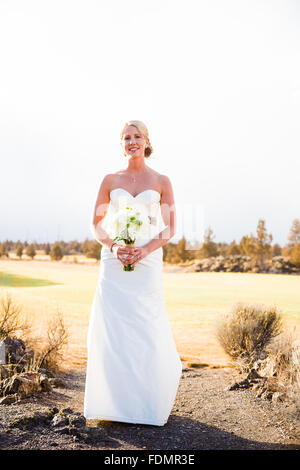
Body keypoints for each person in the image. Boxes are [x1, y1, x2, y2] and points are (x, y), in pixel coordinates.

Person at [84, 120, 182, 426]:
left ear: (147, 141)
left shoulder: (162, 180)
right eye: (127, 137)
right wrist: (114, 247)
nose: (132, 141)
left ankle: (147, 405)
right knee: (113, 329)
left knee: (146, 326)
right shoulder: (110, 179)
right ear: (122, 144)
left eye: (137, 136)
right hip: (114, 262)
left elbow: (170, 228)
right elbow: (97, 224)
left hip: (148, 260)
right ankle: (113, 404)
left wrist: (145, 249)